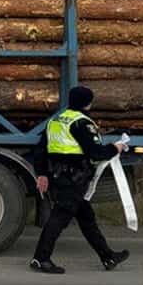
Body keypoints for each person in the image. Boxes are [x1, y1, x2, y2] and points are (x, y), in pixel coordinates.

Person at [30, 85, 131, 274]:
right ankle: (40, 258)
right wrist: (116, 148)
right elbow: (96, 153)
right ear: (88, 103)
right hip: (74, 178)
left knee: (86, 218)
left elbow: (40, 149)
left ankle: (108, 257)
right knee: (59, 218)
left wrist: (42, 173)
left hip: (58, 175)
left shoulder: (56, 120)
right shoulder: (82, 123)